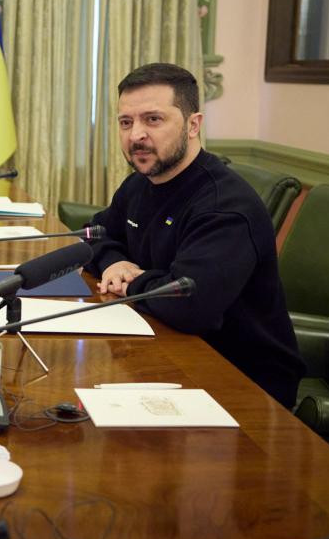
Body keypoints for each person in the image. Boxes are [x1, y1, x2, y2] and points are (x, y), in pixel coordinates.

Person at [86, 63, 305, 407]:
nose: (135, 135)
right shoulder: (140, 184)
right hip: (165, 348)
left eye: (153, 120)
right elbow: (95, 234)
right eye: (126, 122)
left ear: (193, 125)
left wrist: (133, 282)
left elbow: (190, 305)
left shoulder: (225, 206)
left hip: (242, 383)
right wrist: (116, 262)